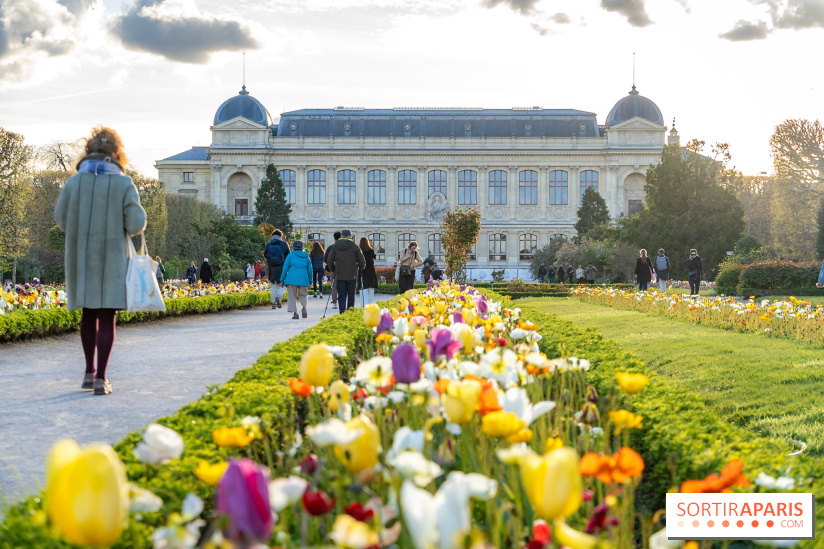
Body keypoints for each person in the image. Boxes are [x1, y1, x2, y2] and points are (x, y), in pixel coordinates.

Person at [54, 126, 146, 396]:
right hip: (113, 258)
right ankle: (102, 379)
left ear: (88, 151)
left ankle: (88, 372)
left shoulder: (74, 182)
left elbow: (61, 219)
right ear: (117, 153)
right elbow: (136, 223)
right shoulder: (123, 182)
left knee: (87, 314)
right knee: (107, 317)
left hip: (82, 258)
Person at [328, 229, 365, 314]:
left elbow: (329, 259)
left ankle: (342, 313)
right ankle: (350, 312)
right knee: (351, 295)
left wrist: (334, 269)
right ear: (350, 236)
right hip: (352, 275)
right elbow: (362, 261)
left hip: (340, 274)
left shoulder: (335, 246)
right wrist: (360, 268)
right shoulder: (355, 247)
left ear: (341, 236)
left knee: (341, 295)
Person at [279, 240, 312, 320]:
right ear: (302, 248)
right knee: (303, 294)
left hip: (291, 279)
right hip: (303, 279)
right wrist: (310, 281)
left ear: (293, 248)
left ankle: (295, 313)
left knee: (292, 296)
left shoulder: (290, 256)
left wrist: (282, 279)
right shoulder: (306, 256)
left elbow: (285, 268)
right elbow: (310, 270)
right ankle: (304, 307)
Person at [264, 229, 291, 309]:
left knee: (273, 285)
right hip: (282, 267)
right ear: (281, 236)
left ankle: (273, 303)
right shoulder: (284, 244)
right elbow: (288, 256)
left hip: (271, 267)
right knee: (282, 284)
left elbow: (265, 255)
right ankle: (278, 297)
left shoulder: (268, 244)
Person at [324, 231, 342, 308]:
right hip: (342, 268)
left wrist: (331, 266)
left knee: (334, 285)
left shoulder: (330, 247)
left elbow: (325, 259)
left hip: (333, 269)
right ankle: (342, 301)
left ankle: (334, 302)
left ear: (334, 238)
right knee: (342, 285)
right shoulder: (343, 247)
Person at [359, 236, 378, 306]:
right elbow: (373, 260)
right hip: (371, 271)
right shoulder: (371, 251)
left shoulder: (359, 251)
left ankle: (364, 306)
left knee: (363, 290)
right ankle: (370, 306)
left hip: (362, 271)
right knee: (371, 289)